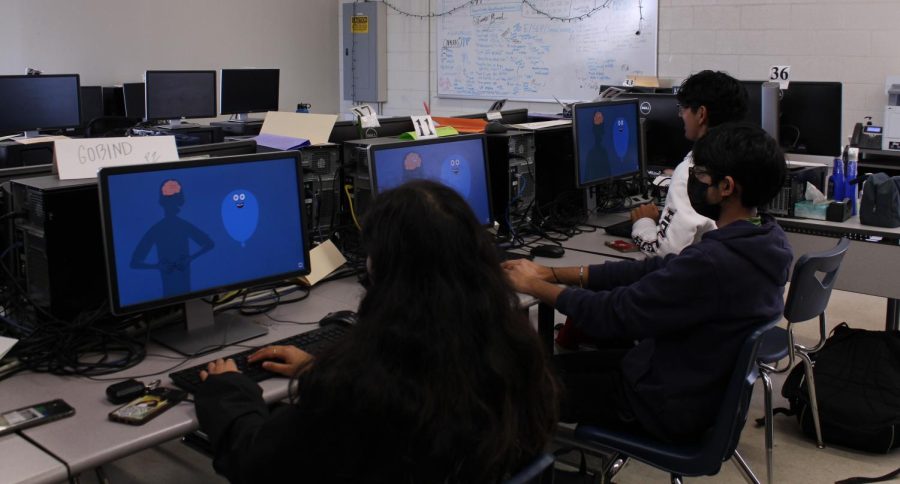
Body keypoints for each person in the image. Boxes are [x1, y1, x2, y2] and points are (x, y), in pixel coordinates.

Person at [194, 180, 559, 483]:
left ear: (387, 272)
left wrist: (229, 393)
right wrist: (316, 367)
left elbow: (257, 463)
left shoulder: (365, 391)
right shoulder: (511, 346)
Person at [504, 123, 792, 442]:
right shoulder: (763, 239)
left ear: (726, 187)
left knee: (518, 388)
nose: (693, 182)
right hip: (692, 386)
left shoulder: (714, 262)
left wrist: (535, 287)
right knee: (551, 368)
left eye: (701, 176)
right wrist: (553, 274)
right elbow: (654, 271)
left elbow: (614, 314)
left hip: (662, 404)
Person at [630, 70, 749, 257]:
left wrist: (643, 223)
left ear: (701, 114)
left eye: (683, 109)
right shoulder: (747, 157)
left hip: (699, 276)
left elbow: (666, 252)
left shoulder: (692, 172)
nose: (680, 116)